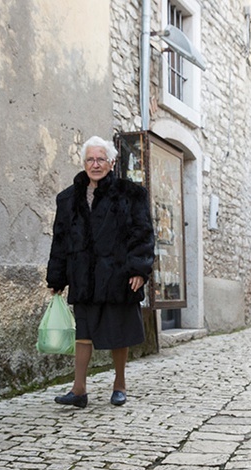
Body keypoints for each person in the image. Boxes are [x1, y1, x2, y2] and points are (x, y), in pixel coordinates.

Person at [46, 135, 155, 408]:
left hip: (118, 276)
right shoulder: (68, 198)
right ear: (84, 163)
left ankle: (120, 384)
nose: (95, 165)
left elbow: (142, 234)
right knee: (83, 331)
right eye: (90, 159)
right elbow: (60, 239)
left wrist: (139, 270)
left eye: (100, 159)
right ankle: (79, 390)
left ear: (112, 162)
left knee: (118, 331)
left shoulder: (132, 194)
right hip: (82, 275)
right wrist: (57, 277)